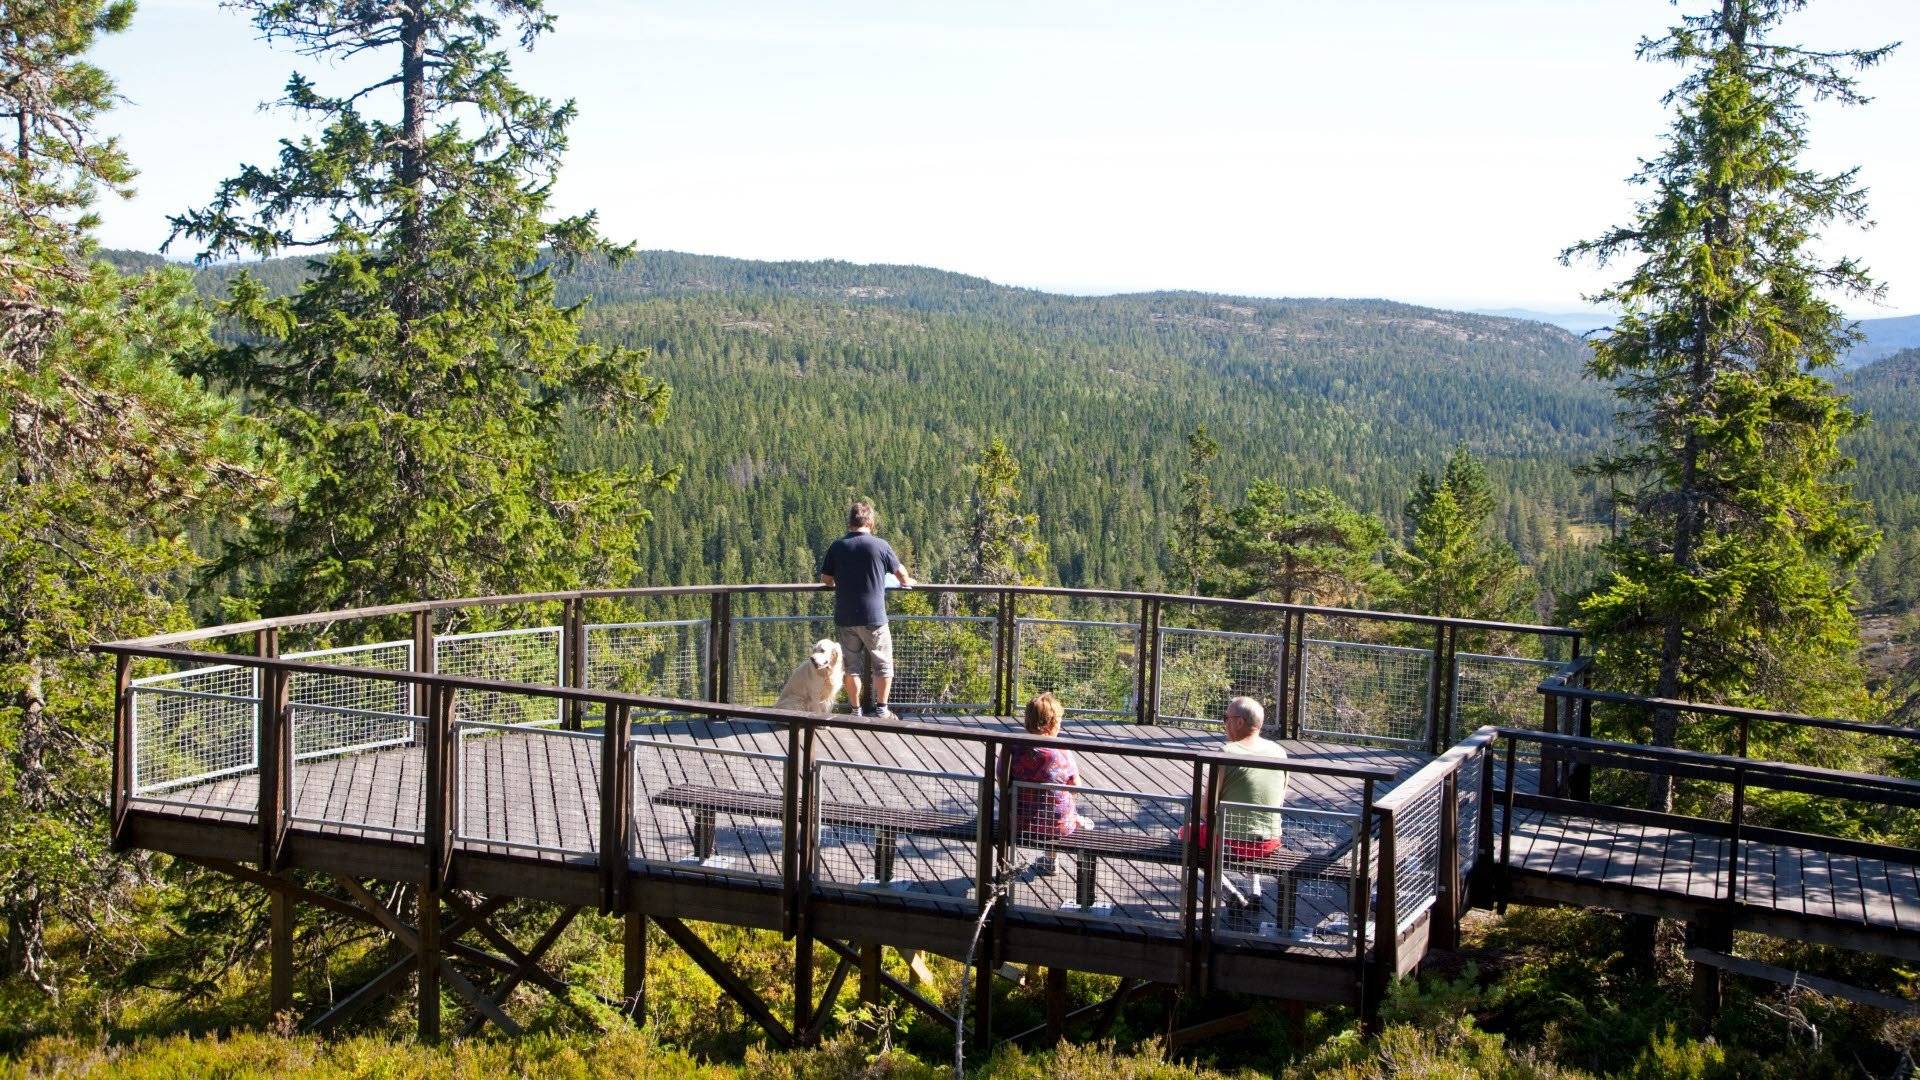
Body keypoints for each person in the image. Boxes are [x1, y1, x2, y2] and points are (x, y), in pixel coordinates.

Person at [817, 500, 915, 719]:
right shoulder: (881, 545)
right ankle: (882, 710)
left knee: (851, 667)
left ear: (850, 522)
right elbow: (903, 576)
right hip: (874, 617)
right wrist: (904, 581)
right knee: (882, 665)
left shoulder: (838, 546)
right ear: (870, 521)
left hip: (846, 616)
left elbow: (826, 579)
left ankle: (855, 710)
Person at [1185, 697, 1288, 860]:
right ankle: (1248, 883)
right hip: (1270, 843)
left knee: (1186, 832)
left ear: (1239, 722)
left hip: (1230, 843)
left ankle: (1214, 884)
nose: (1224, 724)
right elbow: (1280, 799)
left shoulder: (1226, 752)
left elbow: (1206, 809)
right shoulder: (1279, 752)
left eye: (1226, 719)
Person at [1007, 694, 1091, 873]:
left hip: (1018, 822)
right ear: (1050, 723)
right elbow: (1076, 785)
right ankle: (1050, 859)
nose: (1061, 724)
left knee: (1038, 806)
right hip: (1057, 825)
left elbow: (1001, 777)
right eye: (1059, 720)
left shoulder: (1012, 747)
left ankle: (1007, 864)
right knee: (1056, 809)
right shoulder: (1061, 751)